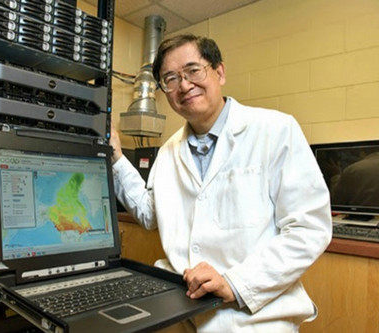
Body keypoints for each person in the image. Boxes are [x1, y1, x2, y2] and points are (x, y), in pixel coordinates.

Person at [110, 34, 332, 331]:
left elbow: (309, 228)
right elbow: (152, 214)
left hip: (255, 316)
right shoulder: (168, 152)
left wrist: (236, 283)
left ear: (219, 71)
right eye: (171, 79)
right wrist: (116, 158)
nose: (184, 85)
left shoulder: (276, 130)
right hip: (183, 309)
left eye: (193, 70)